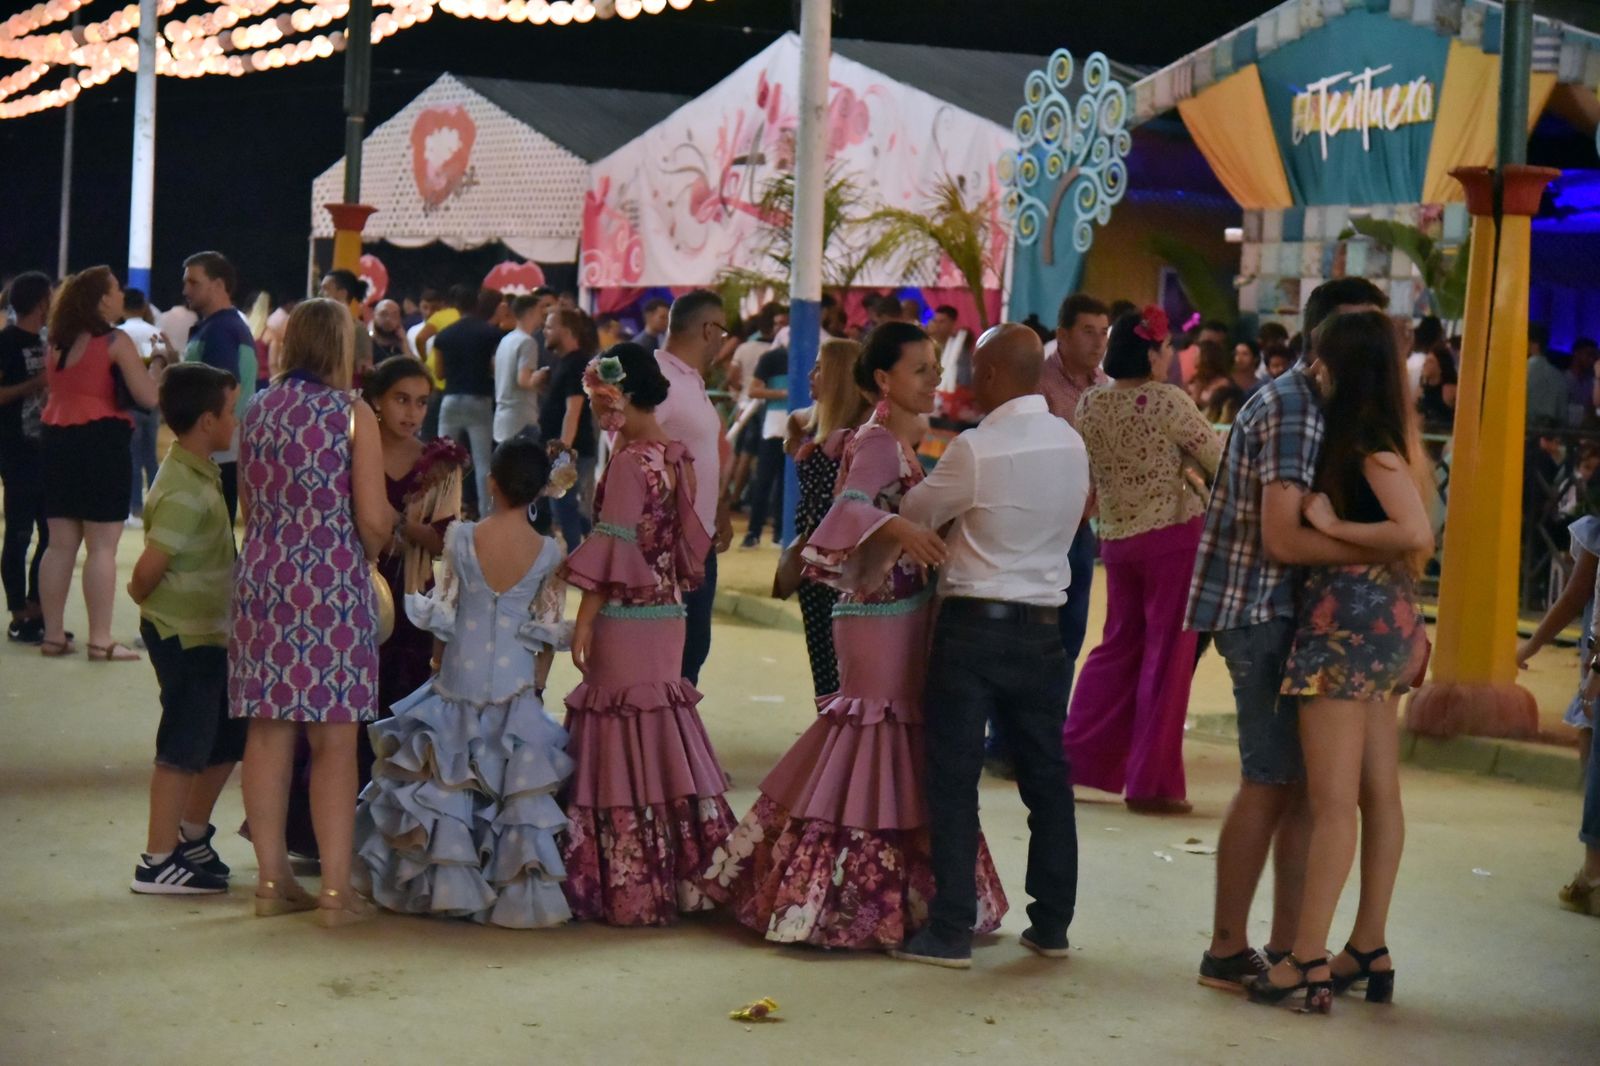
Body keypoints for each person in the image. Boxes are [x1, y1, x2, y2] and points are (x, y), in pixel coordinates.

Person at [708, 322, 1009, 950]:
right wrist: (903, 530)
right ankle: (836, 898)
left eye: (934, 367)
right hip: (876, 617)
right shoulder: (876, 442)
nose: (934, 379)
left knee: (888, 742)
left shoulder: (894, 439)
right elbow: (845, 511)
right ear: (882, 379)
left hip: (895, 612)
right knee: (871, 737)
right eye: (920, 370)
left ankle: (875, 894)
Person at [1186, 276, 1392, 993]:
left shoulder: (1317, 403)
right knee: (1271, 784)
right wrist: (1374, 552)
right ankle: (1228, 948)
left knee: (1299, 789)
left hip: (1282, 614)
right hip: (1263, 612)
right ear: (1324, 338)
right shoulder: (1298, 407)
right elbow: (1280, 537)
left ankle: (1284, 948)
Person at [879, 323, 1087, 969]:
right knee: (1047, 779)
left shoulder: (977, 449)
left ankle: (949, 929)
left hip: (974, 628)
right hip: (1045, 631)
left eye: (971, 366)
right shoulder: (1072, 442)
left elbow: (915, 513)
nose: (964, 378)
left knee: (954, 780)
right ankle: (1051, 925)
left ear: (995, 375)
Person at [1246, 310, 1433, 1012]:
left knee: (1330, 804)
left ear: (1339, 366)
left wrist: (1329, 526)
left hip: (1344, 630)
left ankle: (1306, 958)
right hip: (1383, 624)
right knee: (1376, 793)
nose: (1311, 371)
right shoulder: (1387, 438)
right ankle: (1368, 945)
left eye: (1320, 360)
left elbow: (1412, 531)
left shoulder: (1362, 443)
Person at [356, 438, 574, 927]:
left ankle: (445, 882)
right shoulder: (548, 552)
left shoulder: (461, 538)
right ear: (540, 489)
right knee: (513, 785)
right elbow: (545, 631)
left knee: (447, 776)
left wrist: (436, 665)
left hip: (458, 675)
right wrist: (536, 687)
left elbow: (445, 617)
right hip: (516, 682)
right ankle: (507, 889)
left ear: (491, 483)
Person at [229, 298, 395, 927]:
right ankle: (333, 892)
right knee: (335, 740)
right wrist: (375, 551)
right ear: (341, 348)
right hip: (329, 582)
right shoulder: (352, 414)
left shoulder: (258, 409)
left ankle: (271, 881)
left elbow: (249, 500)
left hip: (264, 579)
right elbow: (374, 518)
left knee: (267, 730)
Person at [560, 343, 734, 925]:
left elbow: (613, 544)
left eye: (599, 399)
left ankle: (629, 884)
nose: (596, 411)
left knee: (616, 734)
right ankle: (684, 875)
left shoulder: (632, 461)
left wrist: (584, 617)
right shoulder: (674, 455)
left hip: (626, 624)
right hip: (669, 616)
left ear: (621, 394)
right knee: (662, 735)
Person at [281, 357, 467, 859]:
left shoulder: (441, 463)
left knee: (398, 714)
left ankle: (390, 839)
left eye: (422, 401)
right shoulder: (344, 450)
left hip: (408, 605)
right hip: (346, 595)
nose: (412, 412)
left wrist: (399, 526)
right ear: (376, 402)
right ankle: (319, 836)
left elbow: (449, 540)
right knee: (338, 717)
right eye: (401, 399)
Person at [1064, 308, 1222, 815]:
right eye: (1166, 346)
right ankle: (1152, 784)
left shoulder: (1090, 403)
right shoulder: (1168, 401)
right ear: (1152, 353)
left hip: (1116, 540)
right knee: (1167, 658)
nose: (1170, 355)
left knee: (1116, 649)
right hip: (1174, 540)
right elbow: (1218, 459)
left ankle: (1075, 760)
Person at [126, 363, 246, 895]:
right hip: (184, 636)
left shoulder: (199, 469)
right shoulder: (183, 488)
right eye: (231, 411)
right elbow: (148, 570)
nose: (236, 420)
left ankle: (191, 832)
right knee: (182, 744)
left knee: (225, 735)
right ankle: (156, 858)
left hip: (209, 633)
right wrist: (141, 593)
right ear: (206, 420)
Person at [38, 267, 159, 660]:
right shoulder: (114, 340)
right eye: (116, 290)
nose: (122, 294)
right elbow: (147, 397)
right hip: (102, 443)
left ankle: (53, 635)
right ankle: (100, 639)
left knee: (59, 546)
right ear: (101, 299)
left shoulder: (56, 343)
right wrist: (157, 368)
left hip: (56, 441)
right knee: (102, 548)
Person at [1016, 292, 1108, 778]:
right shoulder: (1037, 385)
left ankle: (1050, 734)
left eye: (1104, 332)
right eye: (1089, 331)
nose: (1098, 342)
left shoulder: (1106, 387)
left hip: (1079, 530)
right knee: (1028, 632)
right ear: (1064, 332)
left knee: (1069, 635)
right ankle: (1009, 740)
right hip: (1034, 527)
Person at [653, 290, 734, 684]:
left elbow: (702, 451)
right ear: (708, 329)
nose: (723, 340)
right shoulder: (661, 378)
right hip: (668, 541)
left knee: (694, 644)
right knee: (676, 648)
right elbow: (631, 450)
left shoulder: (689, 379)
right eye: (721, 330)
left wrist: (718, 508)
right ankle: (666, 734)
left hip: (698, 538)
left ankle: (677, 732)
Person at [783, 337, 869, 698]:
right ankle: (830, 737)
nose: (811, 375)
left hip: (849, 564)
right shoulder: (810, 426)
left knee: (849, 667)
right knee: (824, 665)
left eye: (820, 368)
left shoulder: (864, 435)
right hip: (814, 561)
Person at [180, 251, 256, 522]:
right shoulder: (223, 326)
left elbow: (224, 389)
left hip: (215, 451)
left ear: (219, 285)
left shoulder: (221, 329)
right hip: (222, 448)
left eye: (194, 282)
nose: (185, 290)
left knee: (211, 539)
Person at [1, 272, 53, 644]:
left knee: (51, 533)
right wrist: (36, 384)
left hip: (46, 449)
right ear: (40, 303)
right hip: (16, 449)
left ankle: (38, 606)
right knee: (19, 534)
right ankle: (19, 612)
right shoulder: (6, 341)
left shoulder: (47, 341)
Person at [434, 285, 504, 514]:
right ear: (477, 304)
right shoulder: (490, 333)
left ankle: (440, 513)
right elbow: (497, 368)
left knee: (443, 461)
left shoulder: (444, 335)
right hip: (480, 400)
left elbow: (439, 373)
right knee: (483, 464)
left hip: (451, 400)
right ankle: (486, 516)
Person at [539, 309, 599, 549]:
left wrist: (563, 453)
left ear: (566, 331)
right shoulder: (564, 363)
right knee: (566, 504)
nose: (545, 331)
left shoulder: (575, 364)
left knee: (562, 503)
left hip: (573, 450)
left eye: (550, 326)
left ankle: (577, 555)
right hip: (568, 448)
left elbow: (573, 411)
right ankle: (595, 545)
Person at [121, 289, 169, 526]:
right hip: (152, 401)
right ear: (143, 307)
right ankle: (157, 507)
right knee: (151, 457)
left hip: (128, 401)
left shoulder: (119, 333)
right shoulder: (155, 333)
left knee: (131, 457)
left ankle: (134, 508)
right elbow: (164, 363)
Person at [741, 341, 789, 549]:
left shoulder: (812, 355)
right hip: (774, 427)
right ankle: (754, 531)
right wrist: (782, 394)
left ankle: (780, 531)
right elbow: (753, 390)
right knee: (764, 480)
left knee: (785, 482)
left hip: (793, 426)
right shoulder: (772, 358)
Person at [493, 293, 552, 447]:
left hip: (502, 420)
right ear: (531, 312)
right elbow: (524, 380)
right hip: (522, 419)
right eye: (540, 311)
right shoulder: (528, 342)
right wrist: (540, 376)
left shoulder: (506, 340)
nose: (543, 316)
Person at [1528, 323, 1568, 429]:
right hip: (1550, 438)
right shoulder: (1559, 377)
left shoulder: (1521, 372)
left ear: (1533, 344)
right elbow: (1563, 417)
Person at [929, 304, 973, 394]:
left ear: (953, 324)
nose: (937, 325)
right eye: (935, 321)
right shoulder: (929, 345)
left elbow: (964, 382)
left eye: (942, 322)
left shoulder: (958, 350)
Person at [1417, 344, 1457, 431]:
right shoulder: (1422, 389)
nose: (1425, 364)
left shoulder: (1449, 390)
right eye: (1425, 361)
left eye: (1430, 361)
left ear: (1441, 366)